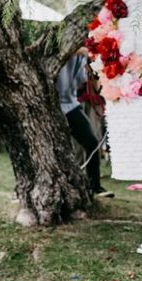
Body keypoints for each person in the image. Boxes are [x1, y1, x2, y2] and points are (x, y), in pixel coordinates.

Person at [57, 48, 113, 199]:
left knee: (92, 144)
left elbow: (84, 81)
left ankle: (95, 186)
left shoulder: (82, 57)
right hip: (52, 106)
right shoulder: (59, 49)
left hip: (70, 105)